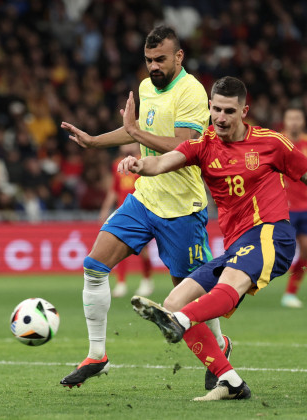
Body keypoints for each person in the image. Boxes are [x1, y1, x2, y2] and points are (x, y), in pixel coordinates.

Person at [60, 26, 230, 389]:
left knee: (187, 293)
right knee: (94, 265)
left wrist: (136, 134)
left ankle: (222, 344)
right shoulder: (146, 87)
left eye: (160, 59)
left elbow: (183, 147)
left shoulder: (192, 92)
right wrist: (94, 142)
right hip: (144, 197)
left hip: (182, 208)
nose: (153, 66)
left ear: (179, 56)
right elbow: (132, 129)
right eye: (148, 60)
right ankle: (97, 354)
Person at [118, 76, 307, 401]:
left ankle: (179, 322)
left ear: (243, 111)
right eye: (216, 108)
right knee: (175, 300)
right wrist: (138, 163)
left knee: (220, 288)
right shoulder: (202, 144)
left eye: (228, 111)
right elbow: (162, 161)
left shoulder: (271, 143)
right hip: (237, 246)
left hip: (271, 234)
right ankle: (230, 382)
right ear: (209, 107)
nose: (220, 116)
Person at [99, 143, 154, 298]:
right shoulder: (117, 164)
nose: (125, 145)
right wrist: (105, 209)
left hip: (141, 210)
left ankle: (146, 281)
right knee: (118, 246)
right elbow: (114, 190)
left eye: (128, 141)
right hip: (123, 212)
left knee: (143, 250)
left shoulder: (144, 161)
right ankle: (121, 283)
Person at [280, 107, 307, 308]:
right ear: (285, 121)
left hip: (305, 207)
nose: (294, 122)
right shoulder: (278, 142)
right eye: (291, 118)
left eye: (298, 118)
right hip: (283, 207)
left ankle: (290, 293)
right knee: (273, 253)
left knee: (306, 251)